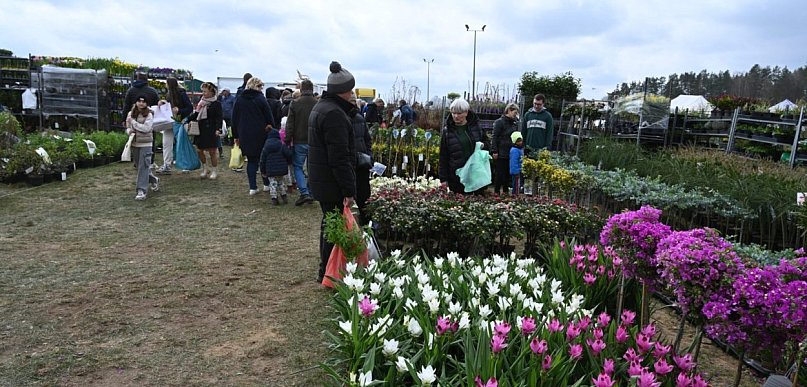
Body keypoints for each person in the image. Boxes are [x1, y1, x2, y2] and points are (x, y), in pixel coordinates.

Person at [308, 61, 357, 283]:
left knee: (329, 224)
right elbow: (339, 157)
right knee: (333, 226)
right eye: (350, 89)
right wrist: (348, 189)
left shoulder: (320, 107)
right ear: (343, 91)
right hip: (331, 182)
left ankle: (326, 270)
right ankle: (328, 272)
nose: (352, 93)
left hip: (321, 179)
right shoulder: (334, 114)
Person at [232, 76, 274, 195]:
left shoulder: (240, 99)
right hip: (261, 133)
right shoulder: (260, 99)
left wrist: (236, 135)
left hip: (244, 133)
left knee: (251, 160)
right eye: (261, 86)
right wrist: (271, 127)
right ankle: (266, 184)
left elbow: (234, 118)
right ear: (257, 86)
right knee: (263, 160)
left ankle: (253, 187)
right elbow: (268, 116)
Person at [438, 98, 488, 194]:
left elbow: (486, 143)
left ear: (466, 113)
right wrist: (443, 179)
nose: (456, 116)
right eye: (453, 113)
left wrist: (483, 145)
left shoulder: (476, 127)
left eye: (459, 113)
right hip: (457, 176)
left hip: (476, 173)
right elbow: (443, 156)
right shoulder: (447, 131)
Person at [285, 79, 317, 205]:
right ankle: (311, 191)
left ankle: (304, 193)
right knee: (312, 167)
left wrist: (288, 139)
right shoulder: (318, 103)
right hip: (314, 141)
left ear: (301, 89)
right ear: (312, 89)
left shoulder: (295, 103)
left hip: (299, 140)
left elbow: (290, 123)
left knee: (298, 167)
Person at [155, 77, 193, 174]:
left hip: (179, 121)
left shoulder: (181, 94)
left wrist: (179, 110)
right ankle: (167, 164)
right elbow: (168, 106)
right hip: (170, 121)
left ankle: (185, 165)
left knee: (181, 143)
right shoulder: (170, 94)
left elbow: (189, 108)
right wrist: (163, 103)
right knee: (167, 143)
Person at [126, 95, 159, 200]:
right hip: (134, 143)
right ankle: (154, 180)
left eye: (144, 102)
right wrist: (129, 131)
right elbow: (127, 127)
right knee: (140, 167)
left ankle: (141, 190)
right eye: (139, 101)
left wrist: (134, 123)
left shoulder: (149, 114)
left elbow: (146, 128)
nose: (141, 103)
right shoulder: (130, 114)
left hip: (146, 144)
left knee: (143, 166)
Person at [190, 82, 223, 179]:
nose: (203, 93)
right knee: (199, 150)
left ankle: (214, 170)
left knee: (212, 151)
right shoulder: (201, 102)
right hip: (201, 129)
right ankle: (205, 168)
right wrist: (186, 119)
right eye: (202, 91)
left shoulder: (216, 104)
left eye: (205, 91)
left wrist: (218, 129)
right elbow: (196, 114)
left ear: (212, 92)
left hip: (211, 129)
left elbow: (219, 117)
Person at [350, 95, 372, 225]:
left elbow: (367, 139)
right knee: (361, 194)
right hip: (357, 162)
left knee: (363, 195)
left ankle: (364, 222)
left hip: (360, 161)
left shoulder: (359, 119)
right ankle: (361, 222)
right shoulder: (343, 118)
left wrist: (368, 155)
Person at [491, 103, 520, 195]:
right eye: (514, 113)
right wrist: (494, 150)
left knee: (507, 173)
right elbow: (494, 137)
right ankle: (496, 191)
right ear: (509, 111)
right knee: (499, 173)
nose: (515, 115)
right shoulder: (499, 122)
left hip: (510, 152)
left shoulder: (514, 123)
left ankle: (505, 191)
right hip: (501, 151)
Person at [259, 128, 290, 205]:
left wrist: (263, 171)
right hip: (281, 169)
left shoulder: (266, 147)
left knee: (272, 183)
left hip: (270, 170)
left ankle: (274, 198)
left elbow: (262, 160)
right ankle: (284, 195)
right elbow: (288, 154)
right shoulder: (281, 145)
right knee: (281, 182)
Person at [509, 131, 524, 196]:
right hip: (516, 171)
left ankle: (515, 194)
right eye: (518, 141)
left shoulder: (519, 149)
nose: (520, 142)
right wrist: (516, 171)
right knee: (516, 185)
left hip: (519, 170)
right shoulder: (515, 150)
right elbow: (513, 162)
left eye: (521, 141)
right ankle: (515, 195)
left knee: (517, 184)